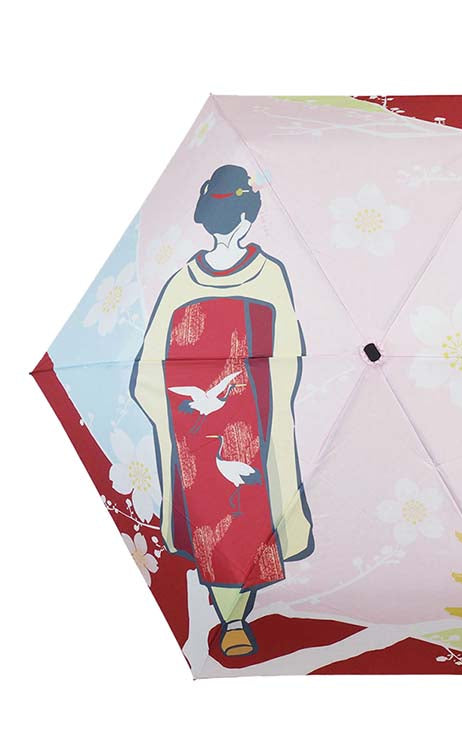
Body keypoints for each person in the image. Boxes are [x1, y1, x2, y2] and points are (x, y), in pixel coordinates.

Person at [131, 164, 313, 657]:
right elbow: (152, 366)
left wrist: (259, 409)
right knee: (211, 517)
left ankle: (235, 617)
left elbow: (287, 352)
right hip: (196, 427)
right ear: (245, 217)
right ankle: (231, 618)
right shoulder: (183, 281)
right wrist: (184, 416)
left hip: (254, 419)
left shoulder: (266, 274)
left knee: (248, 513)